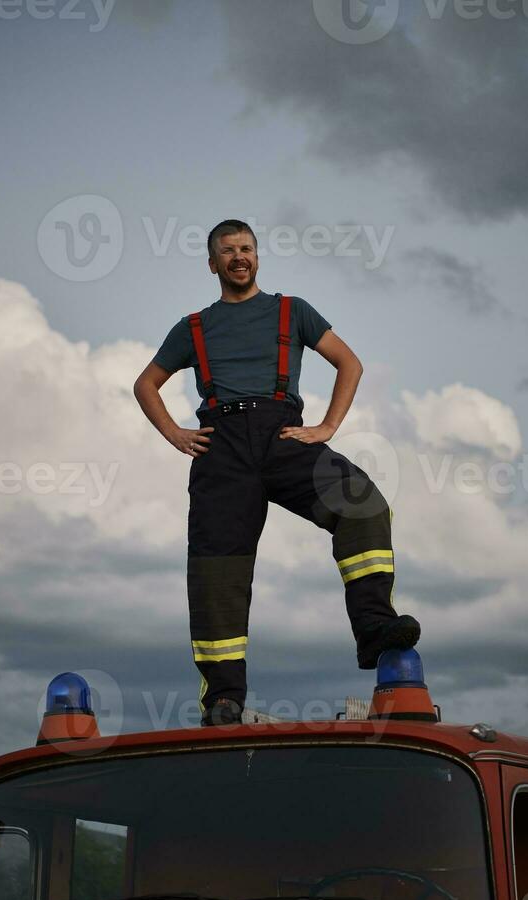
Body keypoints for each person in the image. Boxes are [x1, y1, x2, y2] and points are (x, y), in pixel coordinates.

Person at [134, 219, 421, 726]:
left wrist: (328, 426)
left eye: (246, 248)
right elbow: (146, 384)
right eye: (227, 251)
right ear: (213, 263)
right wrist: (176, 434)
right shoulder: (193, 327)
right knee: (216, 570)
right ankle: (223, 698)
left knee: (364, 502)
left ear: (258, 257)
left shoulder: (292, 311)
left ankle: (376, 627)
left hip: (283, 436)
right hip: (220, 450)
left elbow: (349, 363)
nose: (238, 257)